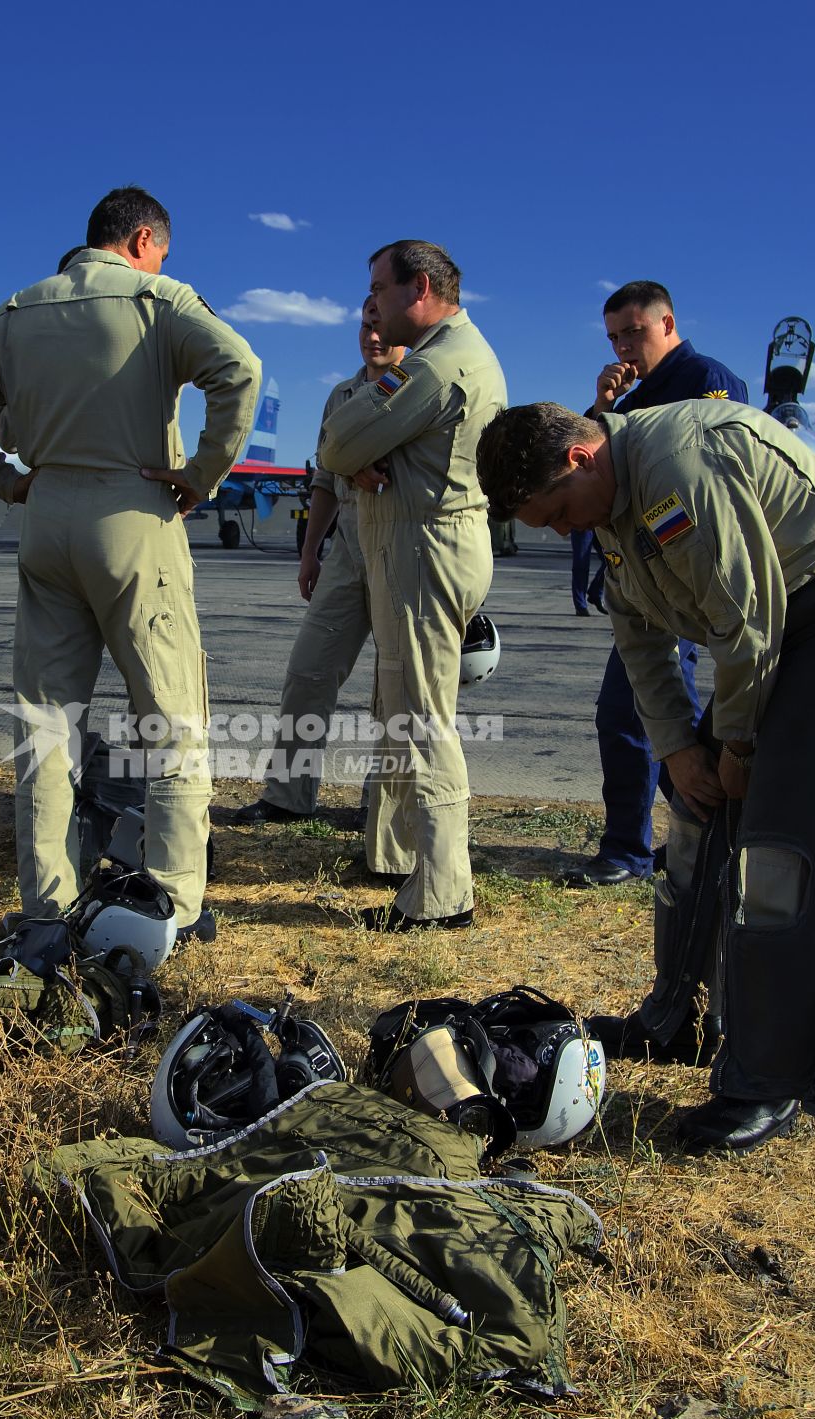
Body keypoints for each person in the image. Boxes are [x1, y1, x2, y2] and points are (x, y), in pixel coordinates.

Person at [475, 399, 815, 1153]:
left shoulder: (675, 470)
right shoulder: (609, 502)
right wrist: (680, 749)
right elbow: (639, 639)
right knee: (695, 822)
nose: (564, 532)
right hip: (767, 646)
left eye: (558, 513)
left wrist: (736, 747)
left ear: (579, 458)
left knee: (779, 859)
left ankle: (765, 1080)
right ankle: (679, 1020)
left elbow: (748, 619)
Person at [0, 186, 260, 942]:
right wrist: (203, 471)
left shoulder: (17, 311)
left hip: (46, 517)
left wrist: (4, 477)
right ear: (143, 240)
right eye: (162, 252)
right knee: (170, 716)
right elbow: (238, 370)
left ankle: (47, 901)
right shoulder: (156, 300)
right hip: (133, 513)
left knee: (45, 722)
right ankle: (172, 900)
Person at [319, 240, 506, 931]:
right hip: (421, 547)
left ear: (419, 287)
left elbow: (336, 443)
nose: (372, 305)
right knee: (403, 710)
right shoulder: (448, 354)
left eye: (380, 288)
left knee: (424, 719)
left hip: (426, 552)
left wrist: (361, 449)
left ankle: (442, 893)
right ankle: (401, 858)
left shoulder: (435, 366)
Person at [563, 281, 748, 888]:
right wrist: (603, 405)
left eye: (633, 333)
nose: (623, 348)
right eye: (613, 337)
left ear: (667, 323)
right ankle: (698, 836)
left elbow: (718, 466)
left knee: (633, 709)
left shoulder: (705, 377)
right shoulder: (630, 396)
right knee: (658, 714)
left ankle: (635, 847)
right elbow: (578, 464)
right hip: (639, 581)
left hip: (690, 579)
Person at [233, 307, 410, 875]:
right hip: (347, 553)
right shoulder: (341, 397)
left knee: (395, 689)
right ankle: (287, 797)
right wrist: (310, 552)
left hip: (400, 552)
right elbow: (326, 483)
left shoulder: (420, 388)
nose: (373, 337)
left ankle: (380, 806)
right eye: (364, 326)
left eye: (382, 327)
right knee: (308, 672)